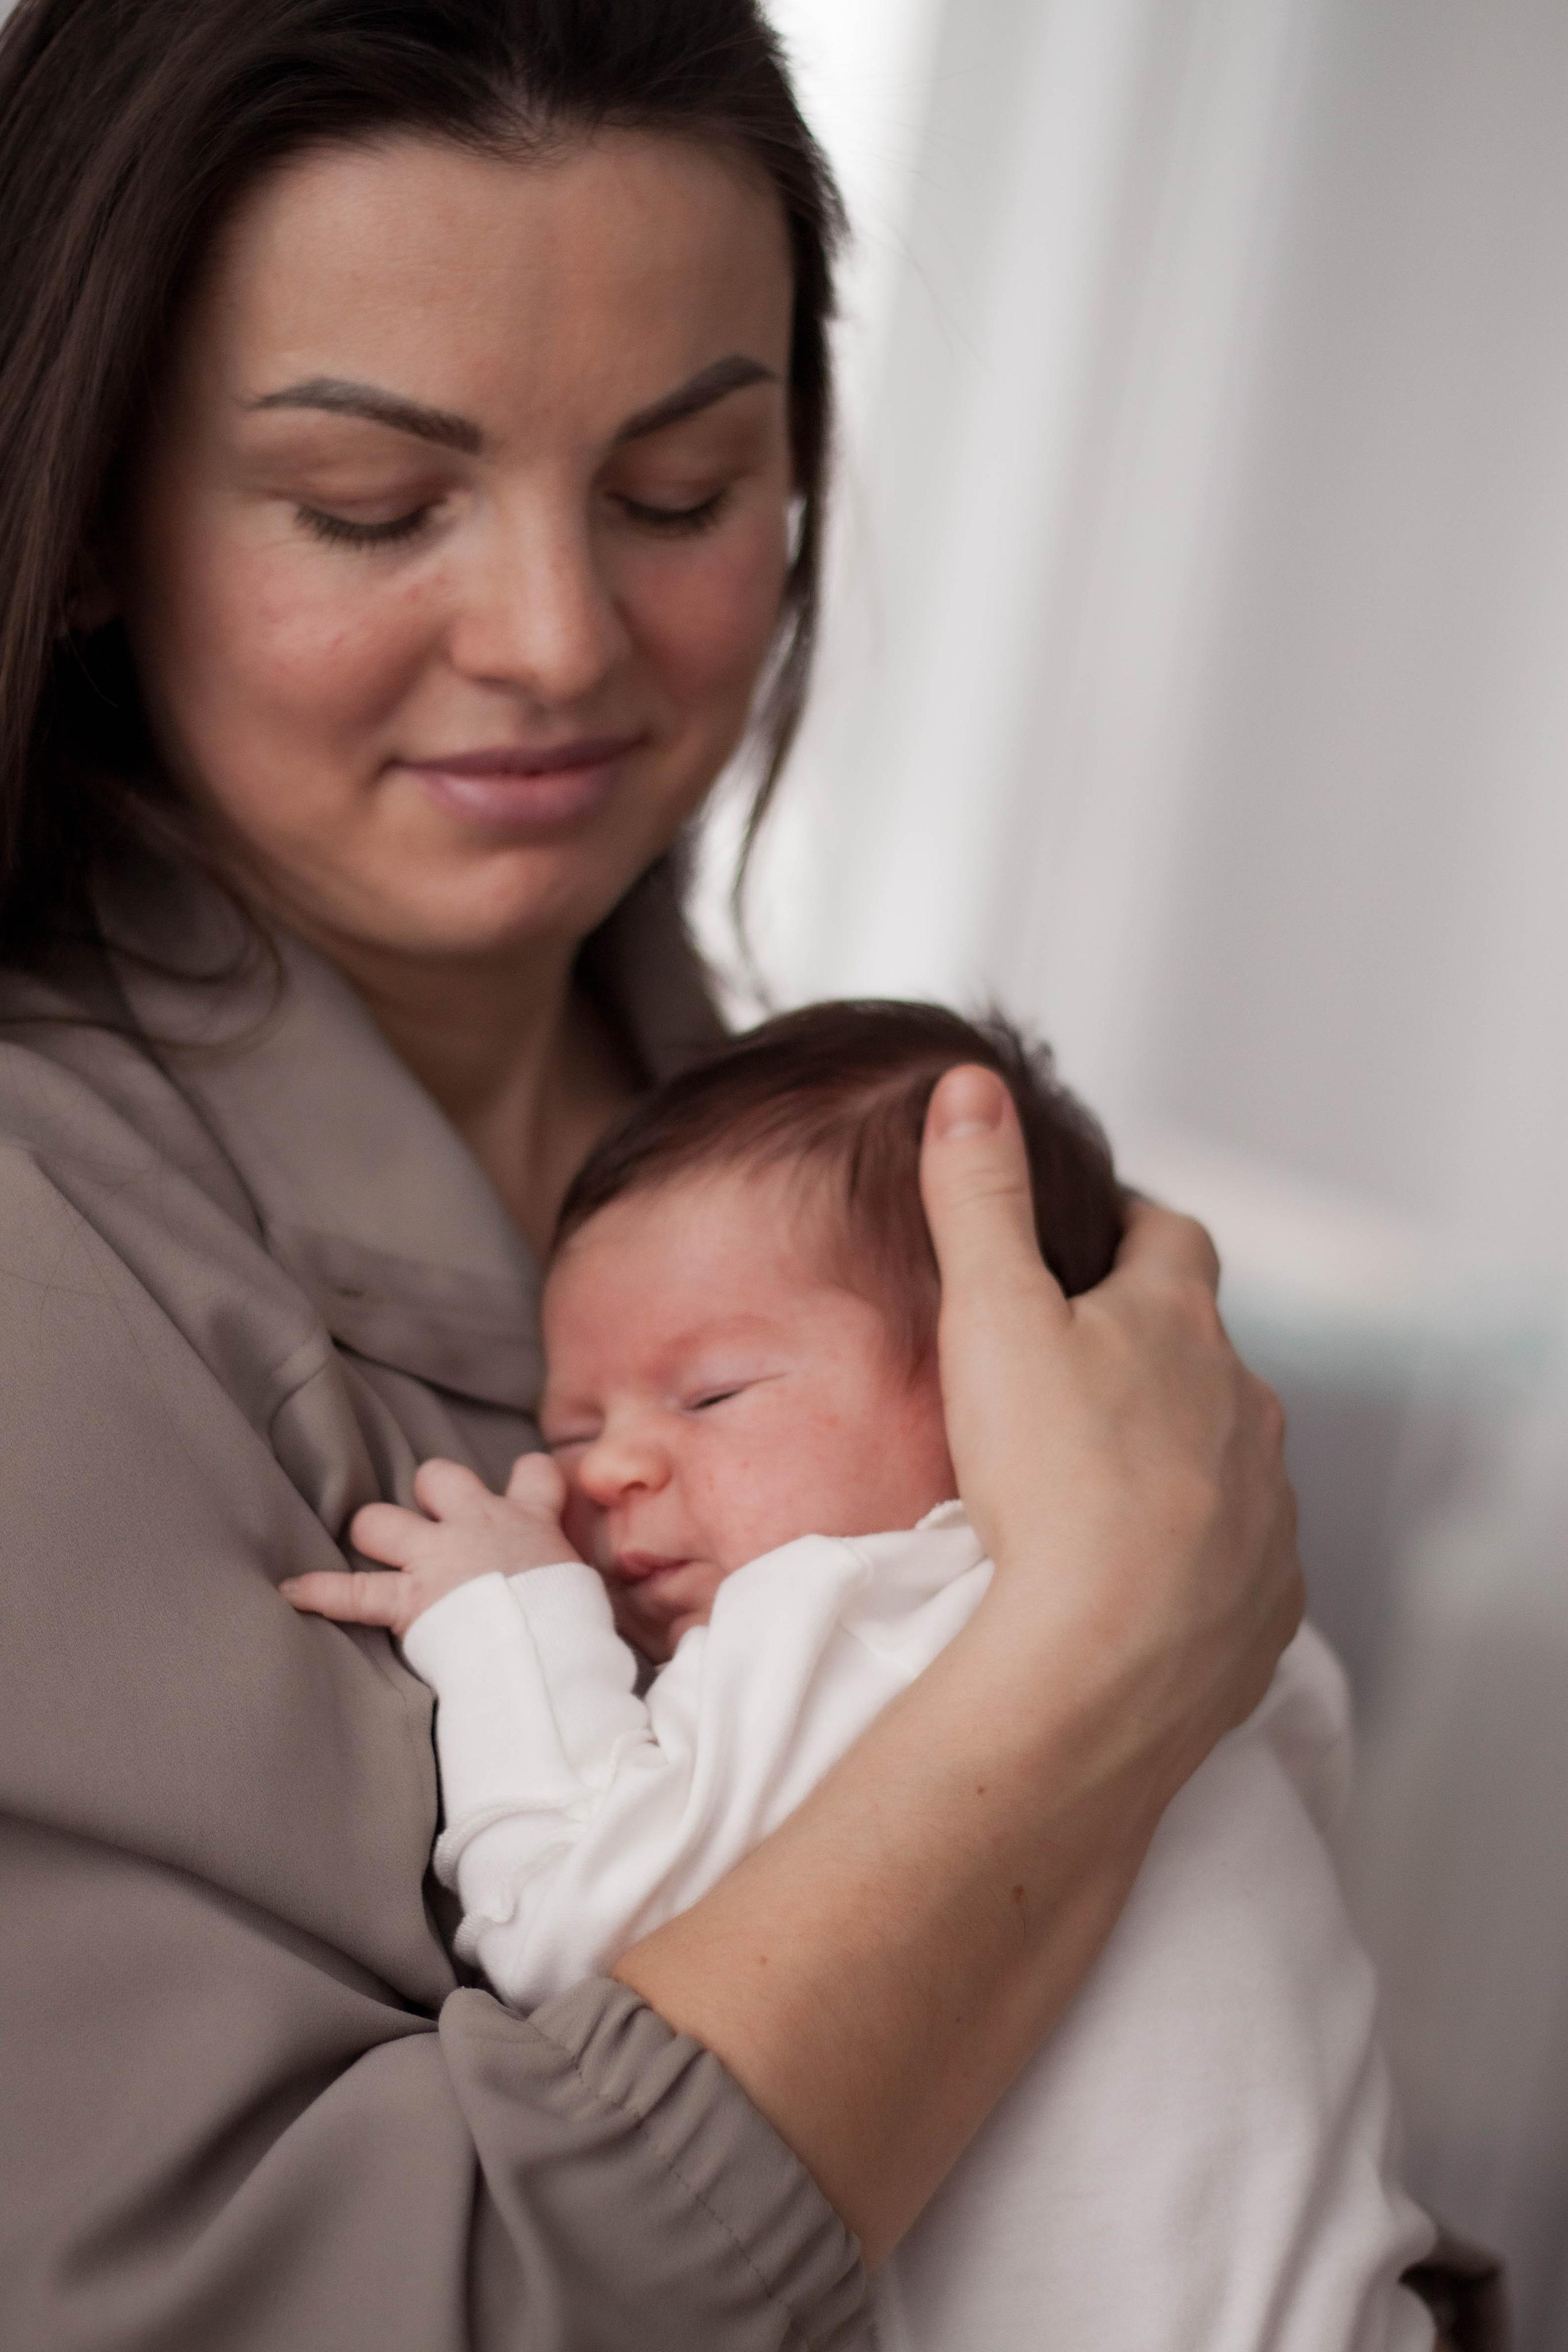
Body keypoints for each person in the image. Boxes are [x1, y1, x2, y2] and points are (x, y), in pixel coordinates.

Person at [0, 0, 1360, 2344]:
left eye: (680, 493)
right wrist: (1090, 1673)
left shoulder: (838, 1165)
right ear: (100, 512)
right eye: (368, 505)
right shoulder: (51, 1261)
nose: (556, 642)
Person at [285, 999, 1439, 2352]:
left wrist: (505, 1615)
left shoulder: (850, 1612)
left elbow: (570, 1938)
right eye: (572, 1424)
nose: (603, 1471)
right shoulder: (1236, 1630)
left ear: (993, 1383)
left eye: (710, 1394)